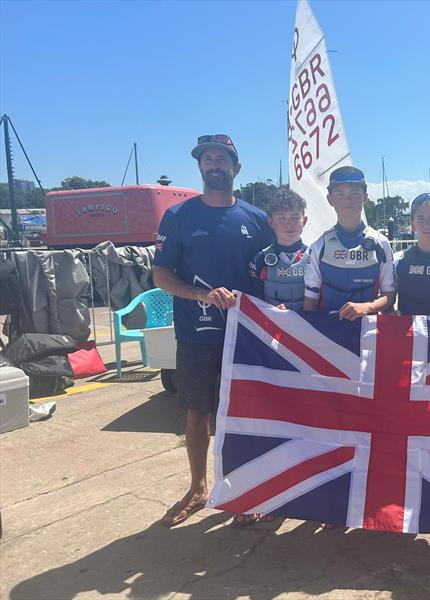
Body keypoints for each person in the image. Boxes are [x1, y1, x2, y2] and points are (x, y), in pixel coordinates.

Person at [153, 134, 275, 527]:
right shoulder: (178, 217)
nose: (213, 164)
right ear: (200, 168)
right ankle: (198, 486)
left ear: (236, 168)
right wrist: (202, 295)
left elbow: (275, 274)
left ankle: (242, 489)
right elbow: (161, 276)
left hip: (246, 338)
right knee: (196, 415)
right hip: (196, 335)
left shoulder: (257, 220)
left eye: (221, 158)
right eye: (207, 159)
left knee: (243, 417)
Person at [303, 166, 396, 320]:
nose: (347, 200)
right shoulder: (319, 245)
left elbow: (389, 296)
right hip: (329, 332)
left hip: (367, 333)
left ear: (365, 197)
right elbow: (310, 303)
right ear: (330, 199)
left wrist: (367, 307)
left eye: (354, 194)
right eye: (340, 194)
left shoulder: (381, 243)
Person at [249, 189, 309, 310]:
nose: (289, 224)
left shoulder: (314, 257)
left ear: (305, 221)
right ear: (270, 222)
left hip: (307, 325)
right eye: (281, 218)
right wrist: (272, 312)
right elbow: (255, 302)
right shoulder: (259, 260)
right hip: (273, 326)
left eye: (295, 217)